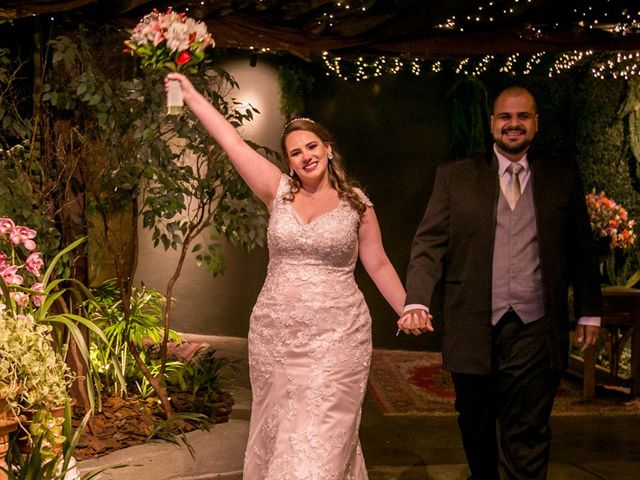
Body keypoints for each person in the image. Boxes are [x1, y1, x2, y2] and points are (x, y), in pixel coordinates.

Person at [164, 72, 421, 479]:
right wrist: (192, 97)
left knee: (322, 439)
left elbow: (379, 264)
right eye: (295, 152)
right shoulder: (277, 191)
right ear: (289, 162)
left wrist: (408, 306)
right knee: (283, 434)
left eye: (312, 146)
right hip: (276, 337)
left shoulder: (358, 206)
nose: (305, 156)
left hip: (339, 337)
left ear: (328, 149)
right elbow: (231, 142)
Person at [400, 85, 603, 480]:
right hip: (473, 323)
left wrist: (590, 310)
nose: (514, 124)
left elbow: (582, 248)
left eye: (522, 116)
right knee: (475, 422)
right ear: (492, 123)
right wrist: (417, 299)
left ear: (535, 123)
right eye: (506, 117)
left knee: (527, 430)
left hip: (536, 326)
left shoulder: (561, 177)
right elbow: (429, 243)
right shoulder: (455, 176)